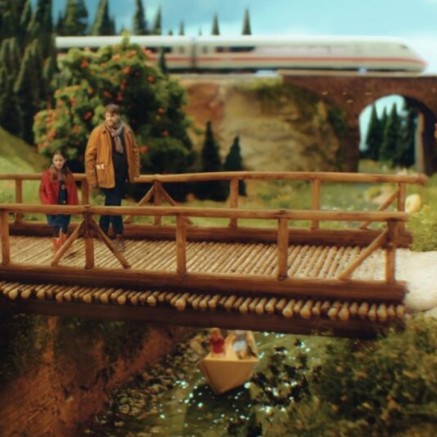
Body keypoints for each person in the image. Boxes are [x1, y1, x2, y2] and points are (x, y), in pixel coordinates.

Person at [85, 103, 140, 252]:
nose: (109, 118)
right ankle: (119, 235)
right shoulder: (98, 132)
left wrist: (134, 172)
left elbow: (134, 150)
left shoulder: (126, 130)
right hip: (105, 173)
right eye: (107, 115)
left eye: (113, 115)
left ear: (118, 116)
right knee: (115, 204)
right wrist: (92, 179)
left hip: (122, 173)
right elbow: (89, 156)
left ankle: (101, 230)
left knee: (111, 202)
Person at [39, 149, 79, 253]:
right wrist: (47, 203)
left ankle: (64, 246)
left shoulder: (69, 175)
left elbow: (73, 191)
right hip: (52, 204)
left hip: (65, 203)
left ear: (64, 160)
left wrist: (73, 206)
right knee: (55, 226)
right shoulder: (47, 174)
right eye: (56, 160)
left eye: (60, 160)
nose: (58, 163)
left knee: (64, 226)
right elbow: (42, 190)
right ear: (53, 161)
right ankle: (57, 249)